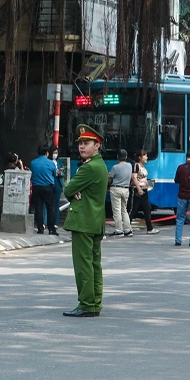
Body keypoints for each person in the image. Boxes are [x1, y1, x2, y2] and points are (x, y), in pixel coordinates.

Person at [62, 124, 109, 318]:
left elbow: (68, 189)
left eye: (87, 143)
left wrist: (74, 192)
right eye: (80, 143)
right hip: (95, 221)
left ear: (97, 145)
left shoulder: (88, 168)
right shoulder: (100, 165)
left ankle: (87, 304)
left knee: (83, 265)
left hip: (83, 221)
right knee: (94, 264)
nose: (82, 146)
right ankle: (95, 303)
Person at [30, 145, 59, 235]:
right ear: (47, 153)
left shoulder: (33, 162)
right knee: (50, 208)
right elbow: (54, 173)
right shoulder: (51, 163)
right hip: (48, 187)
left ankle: (40, 228)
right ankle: (51, 229)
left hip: (36, 187)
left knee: (38, 208)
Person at [107, 149, 134, 237]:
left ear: (117, 157)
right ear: (126, 157)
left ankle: (119, 230)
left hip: (116, 189)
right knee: (124, 210)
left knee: (117, 210)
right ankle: (128, 230)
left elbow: (110, 179)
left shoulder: (115, 167)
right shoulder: (129, 166)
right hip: (126, 189)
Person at [130, 149, 157, 234]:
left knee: (147, 208)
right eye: (145, 156)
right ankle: (126, 227)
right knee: (133, 209)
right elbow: (133, 177)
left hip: (144, 189)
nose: (146, 157)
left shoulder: (143, 166)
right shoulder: (136, 165)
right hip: (137, 190)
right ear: (139, 157)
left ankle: (150, 228)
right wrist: (139, 189)